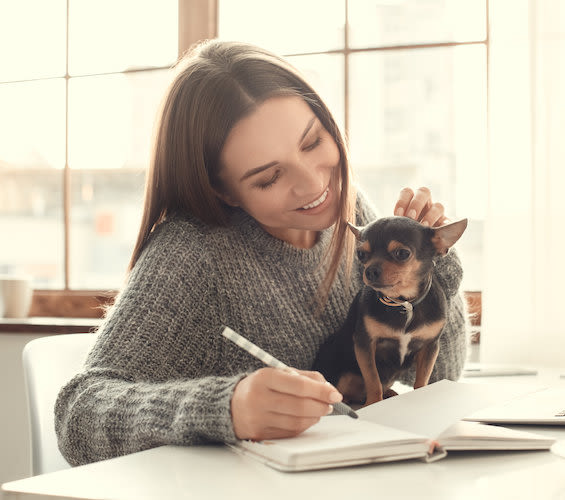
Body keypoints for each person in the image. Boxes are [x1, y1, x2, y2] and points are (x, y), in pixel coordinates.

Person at [55, 39, 467, 466]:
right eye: (269, 177)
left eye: (312, 142)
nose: (312, 184)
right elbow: (79, 415)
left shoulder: (352, 212)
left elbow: (441, 380)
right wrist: (226, 407)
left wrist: (435, 266)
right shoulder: (193, 254)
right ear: (223, 191)